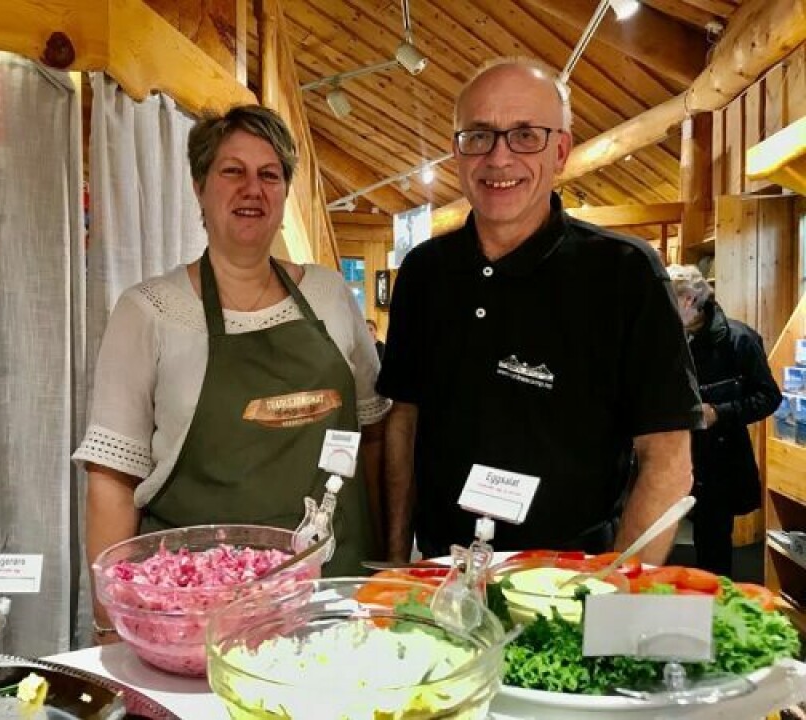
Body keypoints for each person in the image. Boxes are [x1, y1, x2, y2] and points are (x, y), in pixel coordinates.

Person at [74, 105, 390, 642]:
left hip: (330, 596)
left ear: (285, 192)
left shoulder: (330, 295)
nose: (253, 189)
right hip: (196, 611)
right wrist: (114, 626)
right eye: (232, 171)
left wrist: (386, 560)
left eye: (270, 174)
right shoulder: (149, 310)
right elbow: (112, 479)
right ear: (199, 187)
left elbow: (374, 433)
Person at [377, 58, 703, 565]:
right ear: (457, 152)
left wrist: (613, 592)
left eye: (525, 135)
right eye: (479, 135)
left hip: (574, 577)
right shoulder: (424, 271)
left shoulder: (624, 272)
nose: (499, 158)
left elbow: (668, 459)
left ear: (561, 152)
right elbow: (404, 421)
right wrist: (396, 559)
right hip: (441, 571)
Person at [667, 264, 781, 576]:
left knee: (713, 549)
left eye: (667, 299)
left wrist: (718, 412)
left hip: (718, 461)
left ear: (689, 300)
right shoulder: (668, 337)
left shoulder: (739, 340)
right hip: (670, 455)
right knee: (653, 540)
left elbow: (769, 398)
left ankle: (714, 616)